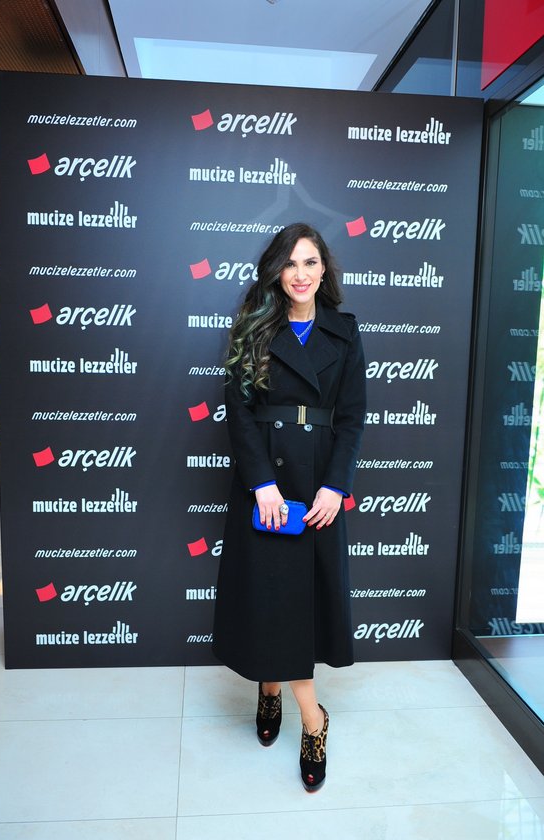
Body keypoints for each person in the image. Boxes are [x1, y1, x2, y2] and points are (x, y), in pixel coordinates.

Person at [212, 222, 366, 792]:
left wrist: (334, 487)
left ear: (324, 270)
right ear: (277, 272)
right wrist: (261, 484)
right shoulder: (253, 328)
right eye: (291, 263)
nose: (301, 274)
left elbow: (352, 418)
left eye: (311, 262)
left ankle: (290, 701)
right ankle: (305, 710)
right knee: (271, 597)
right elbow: (239, 413)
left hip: (318, 485)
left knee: (299, 603)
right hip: (268, 487)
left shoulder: (345, 332)